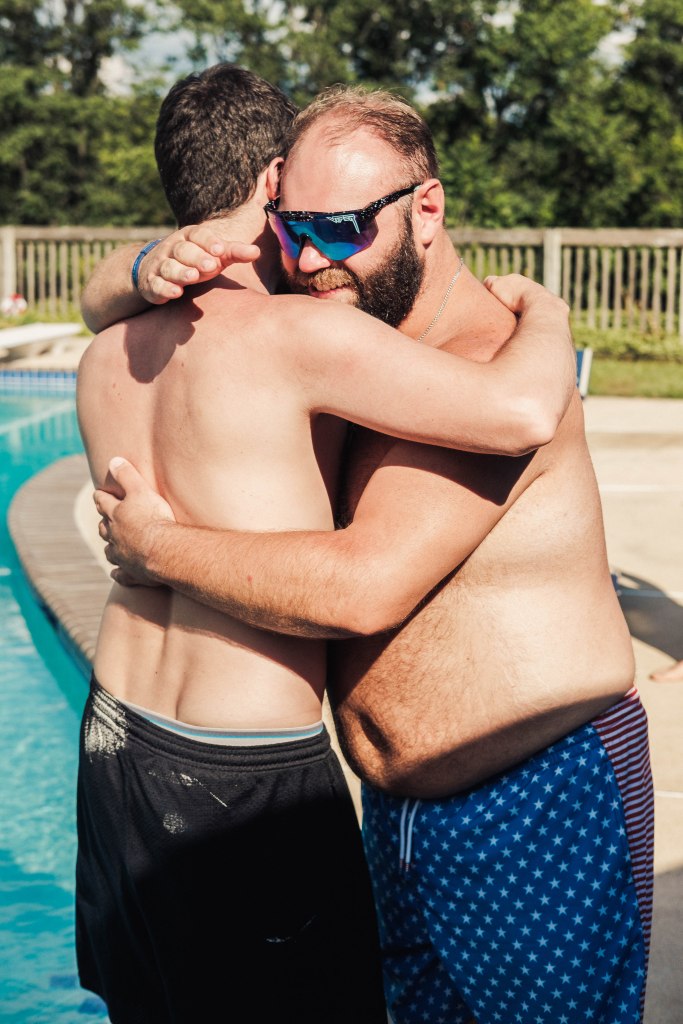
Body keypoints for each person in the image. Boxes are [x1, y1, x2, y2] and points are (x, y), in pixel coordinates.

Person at [96, 84, 654, 1024]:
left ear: (425, 209)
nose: (313, 259)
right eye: (295, 228)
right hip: (398, 820)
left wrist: (158, 545)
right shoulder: (357, 345)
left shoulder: (488, 368)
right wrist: (144, 262)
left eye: (344, 228)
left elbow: (362, 588)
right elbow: (114, 294)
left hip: (531, 801)